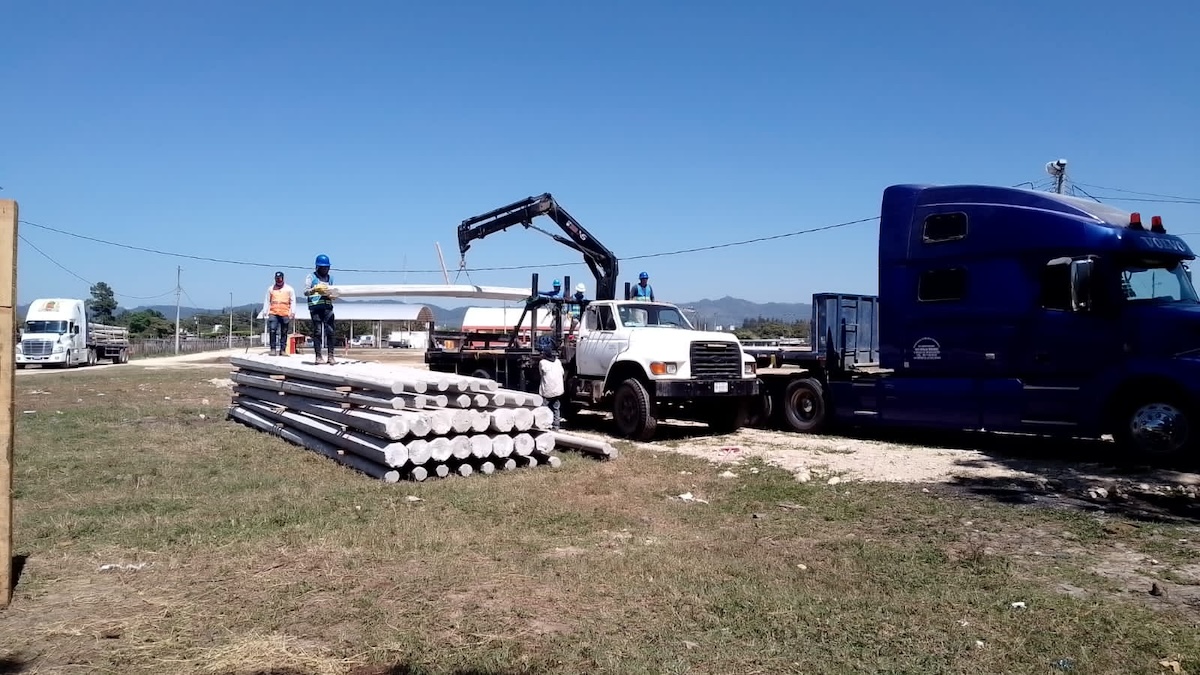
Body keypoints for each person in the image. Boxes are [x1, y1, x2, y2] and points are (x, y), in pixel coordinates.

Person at [303, 254, 337, 365]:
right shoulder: (311, 277)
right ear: (318, 267)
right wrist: (314, 289)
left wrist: (333, 295)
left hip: (328, 307)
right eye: (323, 267)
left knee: (330, 331)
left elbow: (332, 291)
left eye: (327, 267)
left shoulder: (330, 278)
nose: (326, 269)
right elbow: (305, 292)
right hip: (315, 308)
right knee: (317, 332)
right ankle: (318, 356)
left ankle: (331, 356)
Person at [262, 271, 296, 356]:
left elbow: (293, 301)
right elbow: (267, 300)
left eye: (279, 278)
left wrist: (293, 312)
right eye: (277, 279)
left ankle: (282, 350)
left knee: (284, 332)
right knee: (272, 330)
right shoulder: (270, 289)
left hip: (285, 313)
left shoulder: (289, 289)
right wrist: (265, 311)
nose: (278, 280)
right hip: (273, 312)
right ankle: (273, 349)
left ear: (283, 278)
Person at [539, 346, 565, 430]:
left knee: (543, 408)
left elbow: (541, 374)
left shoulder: (542, 362)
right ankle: (556, 426)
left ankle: (542, 424)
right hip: (558, 390)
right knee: (556, 408)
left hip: (547, 390)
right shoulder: (558, 361)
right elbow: (562, 372)